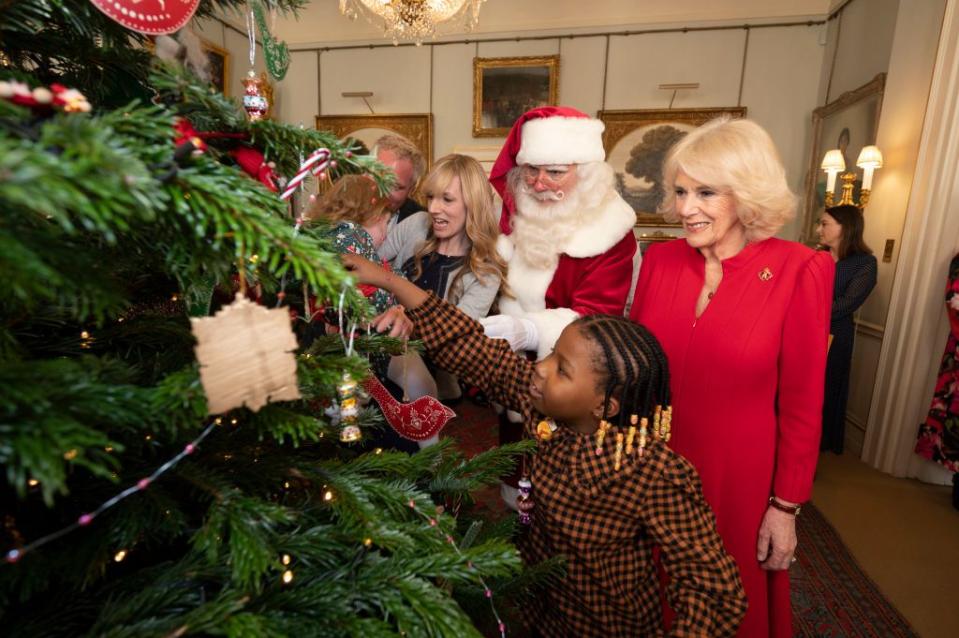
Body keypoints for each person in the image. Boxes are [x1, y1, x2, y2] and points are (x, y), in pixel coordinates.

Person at [342, 252, 748, 637]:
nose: (540, 368)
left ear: (604, 405)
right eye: (551, 355)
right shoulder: (544, 410)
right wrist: (386, 280)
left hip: (606, 627)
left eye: (562, 370)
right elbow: (469, 346)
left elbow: (712, 588)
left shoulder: (652, 471)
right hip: (541, 608)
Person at [628, 117, 835, 638]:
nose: (684, 208)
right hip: (654, 471)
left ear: (746, 195)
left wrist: (785, 507)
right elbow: (635, 373)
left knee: (728, 606)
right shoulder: (660, 261)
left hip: (738, 481)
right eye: (679, 191)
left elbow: (803, 403)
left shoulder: (799, 269)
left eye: (705, 192)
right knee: (650, 599)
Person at [377, 153, 507, 418]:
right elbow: (373, 266)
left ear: (473, 204)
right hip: (376, 356)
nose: (434, 208)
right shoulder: (416, 224)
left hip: (431, 393)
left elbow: (452, 336)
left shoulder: (485, 270)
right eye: (431, 197)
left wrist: (403, 314)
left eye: (447, 199)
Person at [816, 204, 877, 454]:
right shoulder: (816, 257)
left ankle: (816, 449)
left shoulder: (864, 263)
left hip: (835, 335)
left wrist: (806, 311)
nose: (819, 229)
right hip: (804, 333)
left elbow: (847, 303)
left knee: (825, 390)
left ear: (845, 228)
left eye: (825, 224)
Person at [304, 173, 393, 313]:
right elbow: (374, 303)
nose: (386, 234)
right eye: (386, 222)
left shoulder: (323, 237)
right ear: (375, 217)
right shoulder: (352, 238)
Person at [374, 134, 426, 226]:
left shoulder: (424, 224)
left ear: (411, 189)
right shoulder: (344, 211)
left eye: (396, 187)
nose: (385, 193)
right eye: (379, 179)